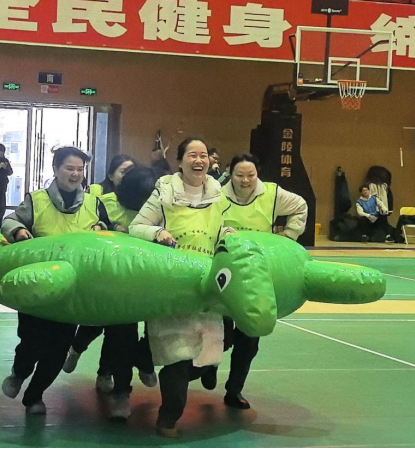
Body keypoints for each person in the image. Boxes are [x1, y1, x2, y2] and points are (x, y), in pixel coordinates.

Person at [0, 147, 119, 417]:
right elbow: (10, 221)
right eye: (69, 168)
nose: (75, 174)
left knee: (58, 349)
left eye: (80, 169)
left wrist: (102, 230)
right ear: (55, 169)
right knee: (31, 343)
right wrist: (19, 231)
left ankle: (34, 396)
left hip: (71, 292)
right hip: (37, 288)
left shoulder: (94, 204)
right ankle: (19, 372)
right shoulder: (36, 200)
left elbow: (109, 232)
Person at [130, 137, 235, 438]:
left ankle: (167, 362)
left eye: (203, 155)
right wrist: (157, 232)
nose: (199, 160)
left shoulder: (219, 195)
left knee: (210, 351)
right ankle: (168, 419)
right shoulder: (164, 192)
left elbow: (224, 228)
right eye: (192, 155)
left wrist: (228, 233)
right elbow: (136, 227)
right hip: (172, 285)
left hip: (206, 286)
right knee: (177, 358)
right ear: (180, 161)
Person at [219, 153, 308, 410]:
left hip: (257, 276)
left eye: (251, 175)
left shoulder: (272, 194)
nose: (246, 180)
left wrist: (289, 237)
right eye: (240, 175)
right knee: (219, 335)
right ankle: (209, 368)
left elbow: (300, 206)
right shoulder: (216, 195)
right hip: (225, 276)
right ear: (230, 174)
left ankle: (234, 389)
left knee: (250, 338)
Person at [63, 154, 141, 395]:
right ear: (111, 175)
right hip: (101, 275)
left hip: (129, 279)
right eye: (123, 171)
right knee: (95, 323)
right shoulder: (100, 198)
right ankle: (76, 348)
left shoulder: (144, 200)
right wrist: (113, 228)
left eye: (132, 171)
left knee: (118, 331)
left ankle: (105, 373)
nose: (128, 176)